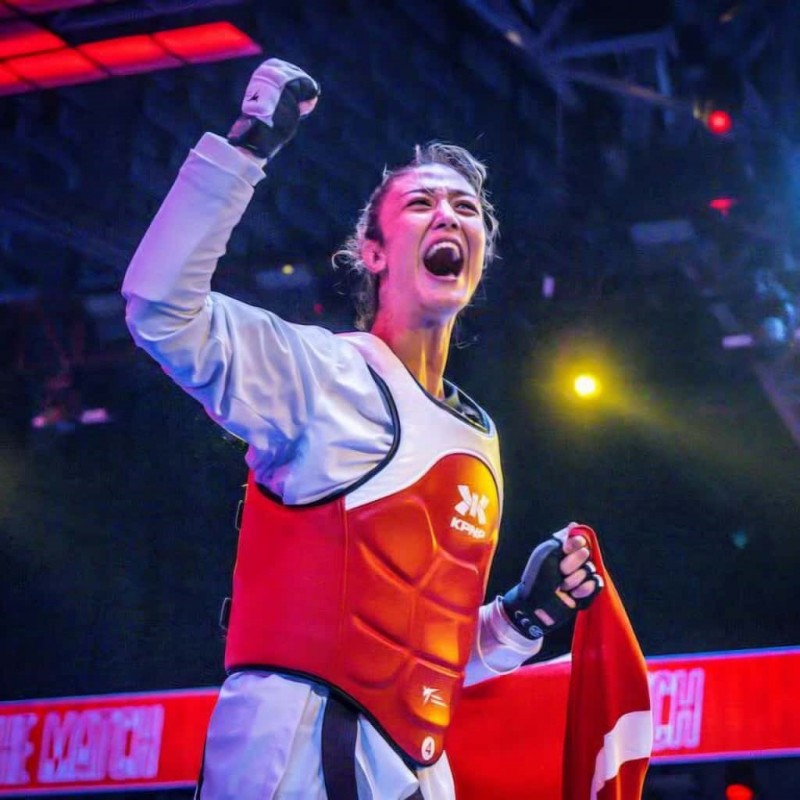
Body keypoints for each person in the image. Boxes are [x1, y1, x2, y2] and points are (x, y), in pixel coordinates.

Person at [122, 59, 603, 800]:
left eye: (465, 207)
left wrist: (521, 618)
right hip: (292, 758)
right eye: (422, 203)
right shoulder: (322, 375)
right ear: (372, 253)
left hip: (416, 771)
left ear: (482, 256)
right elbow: (161, 309)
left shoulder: (480, 437)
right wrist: (244, 149)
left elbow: (419, 661)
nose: (448, 215)